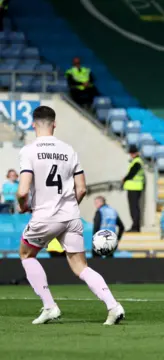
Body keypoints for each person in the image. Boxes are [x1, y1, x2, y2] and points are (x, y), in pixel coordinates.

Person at [16, 105, 124, 325]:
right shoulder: (68, 150)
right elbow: (82, 188)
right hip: (71, 216)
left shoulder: (28, 151)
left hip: (45, 216)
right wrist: (69, 208)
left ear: (33, 124)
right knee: (81, 267)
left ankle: (49, 306)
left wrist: (23, 205)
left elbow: (23, 191)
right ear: (54, 124)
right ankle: (114, 306)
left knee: (27, 255)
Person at [122, 145, 144, 232]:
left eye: (132, 153)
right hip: (134, 188)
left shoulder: (137, 162)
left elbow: (132, 173)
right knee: (134, 207)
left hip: (134, 188)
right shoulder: (136, 161)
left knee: (134, 208)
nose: (131, 154)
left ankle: (135, 227)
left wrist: (124, 179)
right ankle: (135, 226)